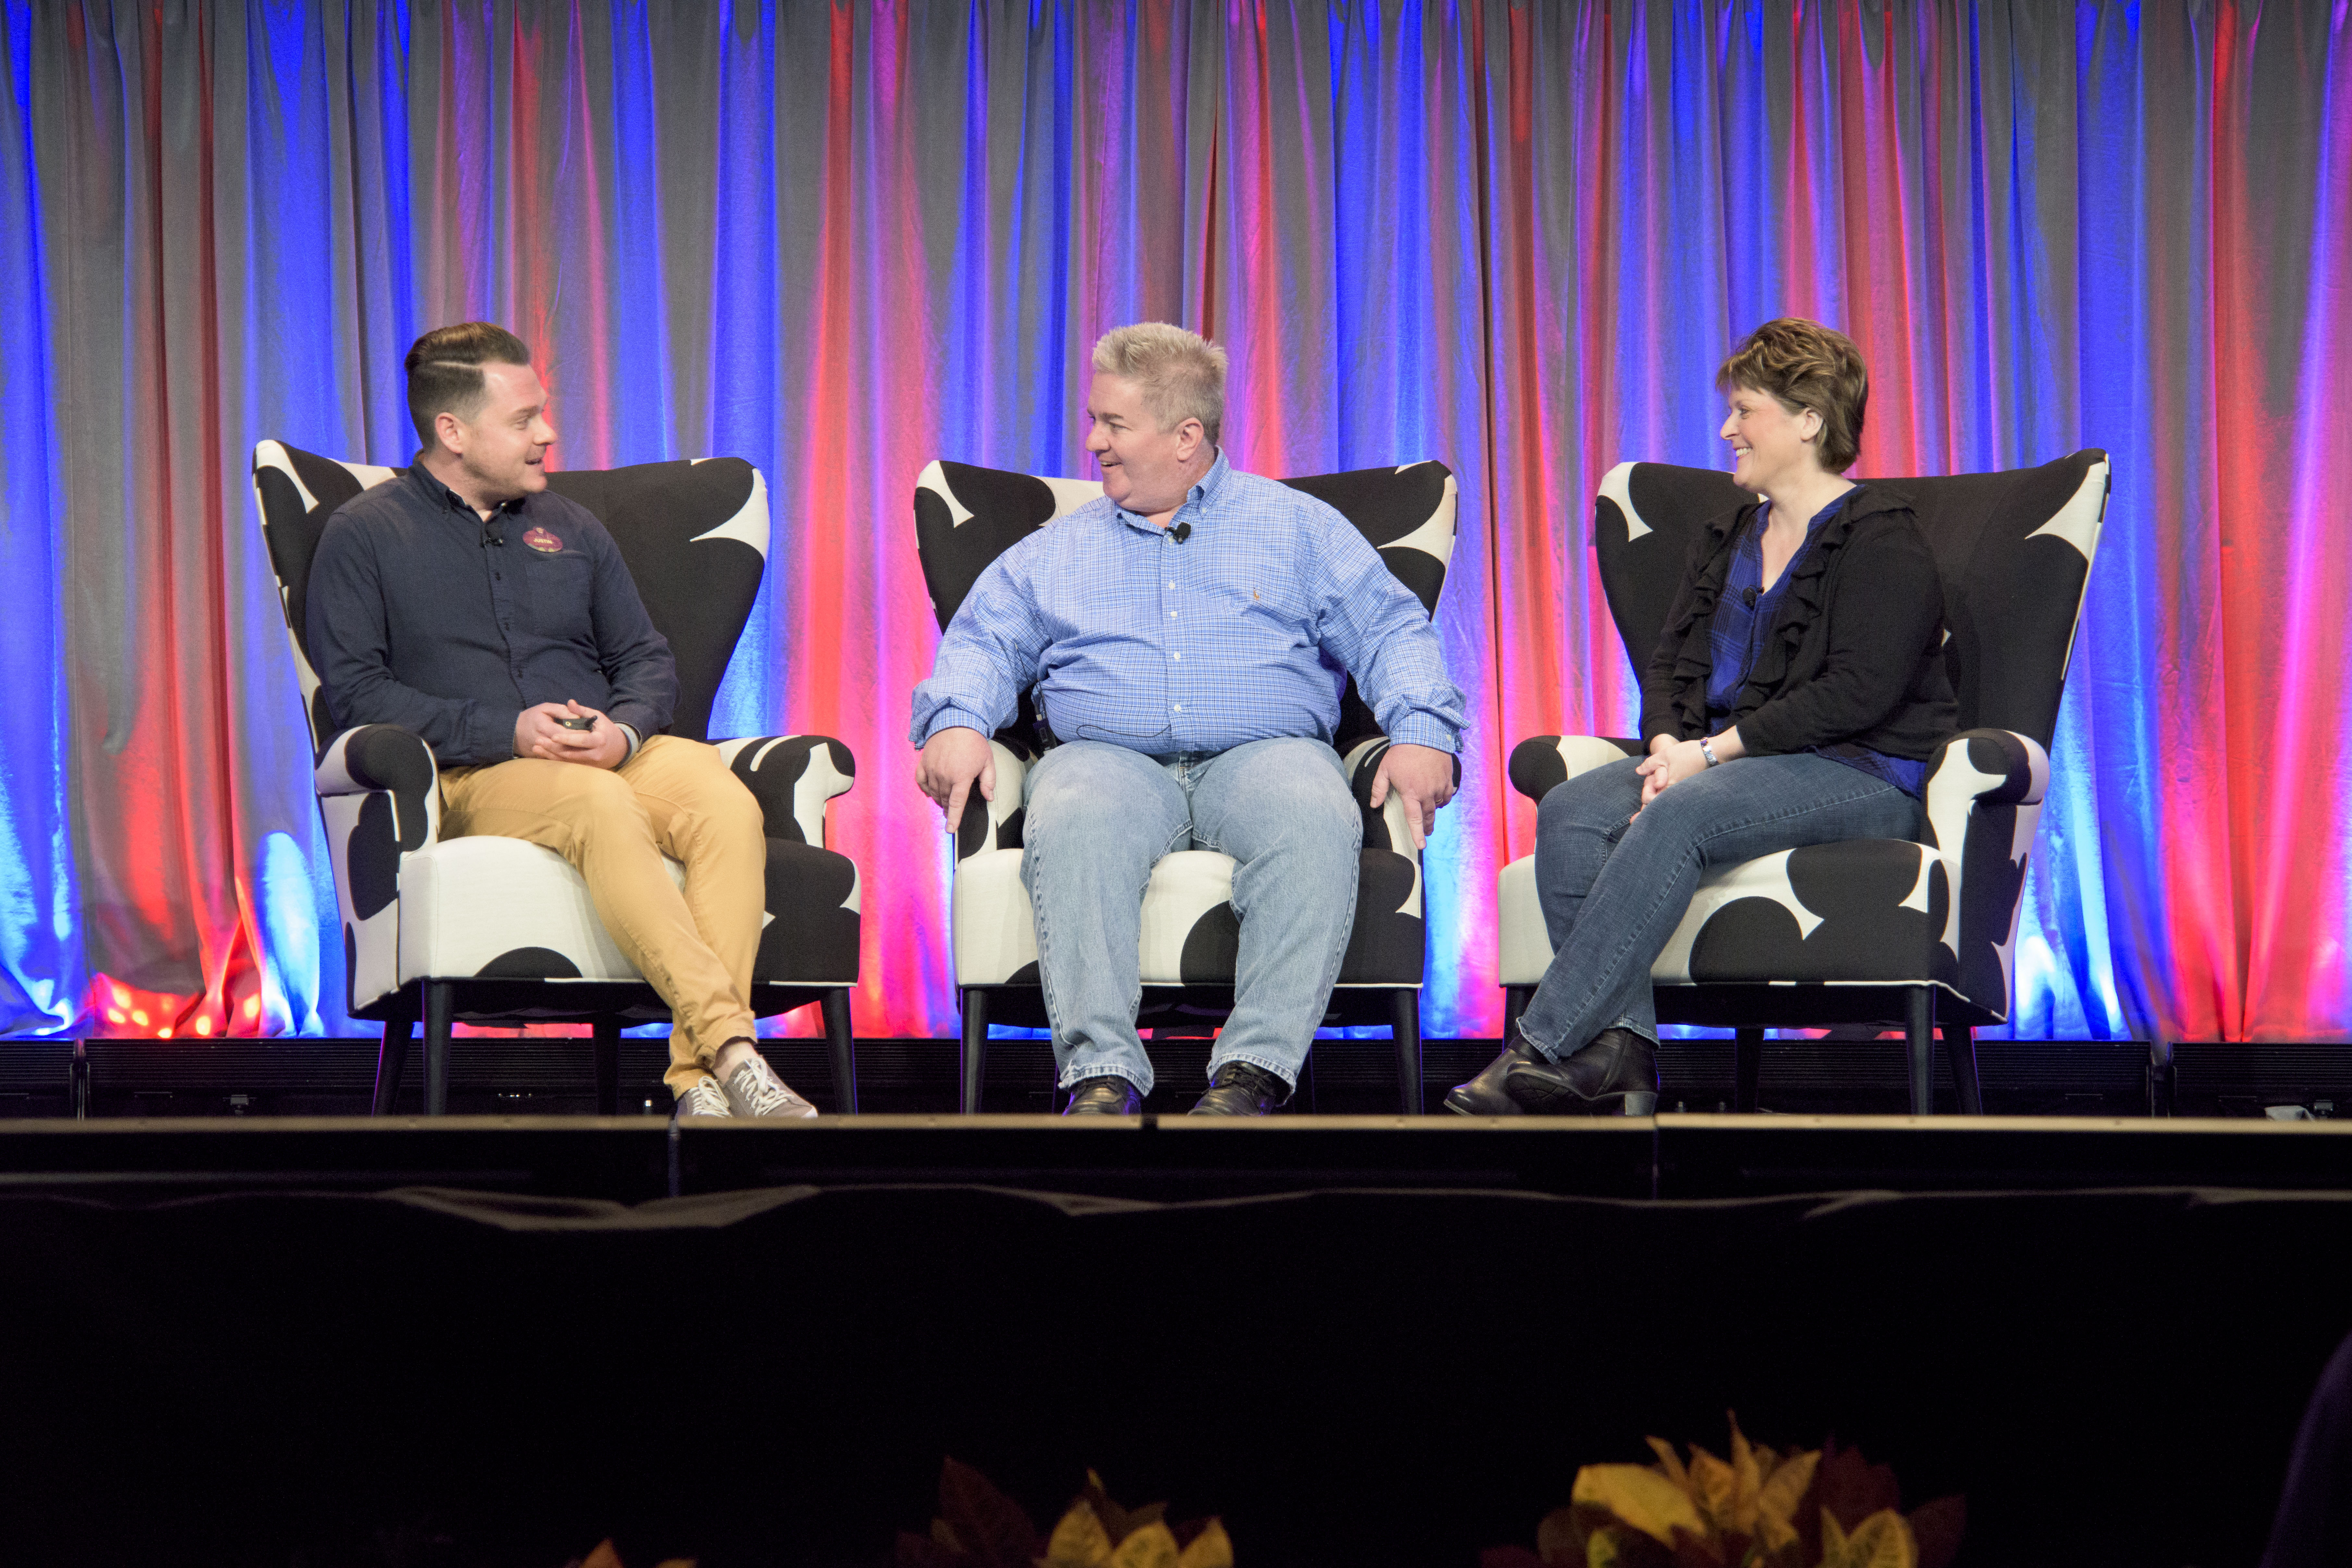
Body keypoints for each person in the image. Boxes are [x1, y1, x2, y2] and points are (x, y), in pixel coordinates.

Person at [912, 323, 1466, 1116]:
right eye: (1096, 419)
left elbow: (1390, 629)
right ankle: (1101, 1077)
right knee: (1069, 811)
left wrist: (1420, 730)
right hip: (1107, 760)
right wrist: (959, 718)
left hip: (1266, 755)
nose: (1094, 441)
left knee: (1315, 812)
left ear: (1186, 437)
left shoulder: (1295, 526)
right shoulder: (1054, 551)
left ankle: (1252, 1076)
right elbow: (984, 640)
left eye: (1114, 424)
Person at [1448, 317, 1956, 1116]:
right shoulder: (1728, 535)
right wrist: (1662, 746)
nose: (1728, 429)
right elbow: (1670, 663)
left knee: (1681, 814)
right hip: (1725, 761)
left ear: (1809, 420)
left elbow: (1859, 692)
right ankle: (1623, 1054)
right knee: (1576, 809)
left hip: (1860, 767)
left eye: (1746, 410)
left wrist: (1711, 757)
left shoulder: (1882, 540)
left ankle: (1537, 1048)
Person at [306, 322, 815, 1120]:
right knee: (599, 806)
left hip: (606, 752)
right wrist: (504, 730)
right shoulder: (366, 535)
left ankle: (698, 1085)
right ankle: (731, 1046)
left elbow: (647, 658)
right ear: (453, 431)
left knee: (722, 798)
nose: (548, 433)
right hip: (476, 774)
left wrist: (626, 732)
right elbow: (360, 696)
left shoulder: (573, 527)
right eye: (524, 419)